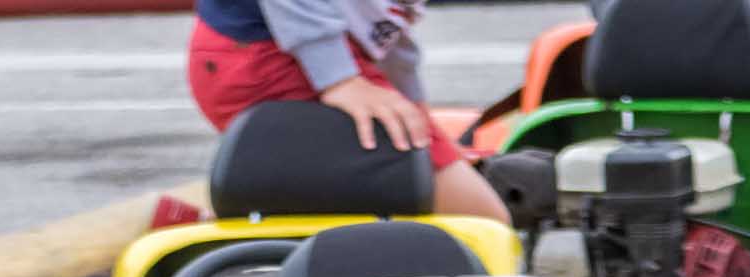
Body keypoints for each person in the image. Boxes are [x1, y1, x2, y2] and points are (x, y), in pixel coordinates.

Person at [181, 0, 509, 226]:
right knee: (479, 219)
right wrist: (337, 78)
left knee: (453, 203)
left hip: (292, 50)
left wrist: (420, 118)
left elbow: (392, 25)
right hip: (272, 54)